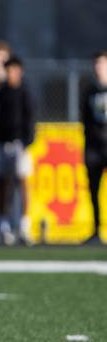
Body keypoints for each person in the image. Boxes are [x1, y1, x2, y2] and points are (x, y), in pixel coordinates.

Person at [0, 57, 34, 244]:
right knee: (3, 183)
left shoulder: (25, 92)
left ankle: (24, 226)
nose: (11, 73)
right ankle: (4, 225)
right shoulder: (1, 92)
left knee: (22, 183)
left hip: (20, 143)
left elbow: (30, 117)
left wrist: (27, 142)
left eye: (14, 69)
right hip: (2, 143)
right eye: (8, 69)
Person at [81, 51, 107, 244]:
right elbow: (86, 119)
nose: (98, 68)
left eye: (102, 64)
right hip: (94, 148)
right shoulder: (89, 91)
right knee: (94, 189)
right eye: (96, 64)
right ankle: (96, 230)